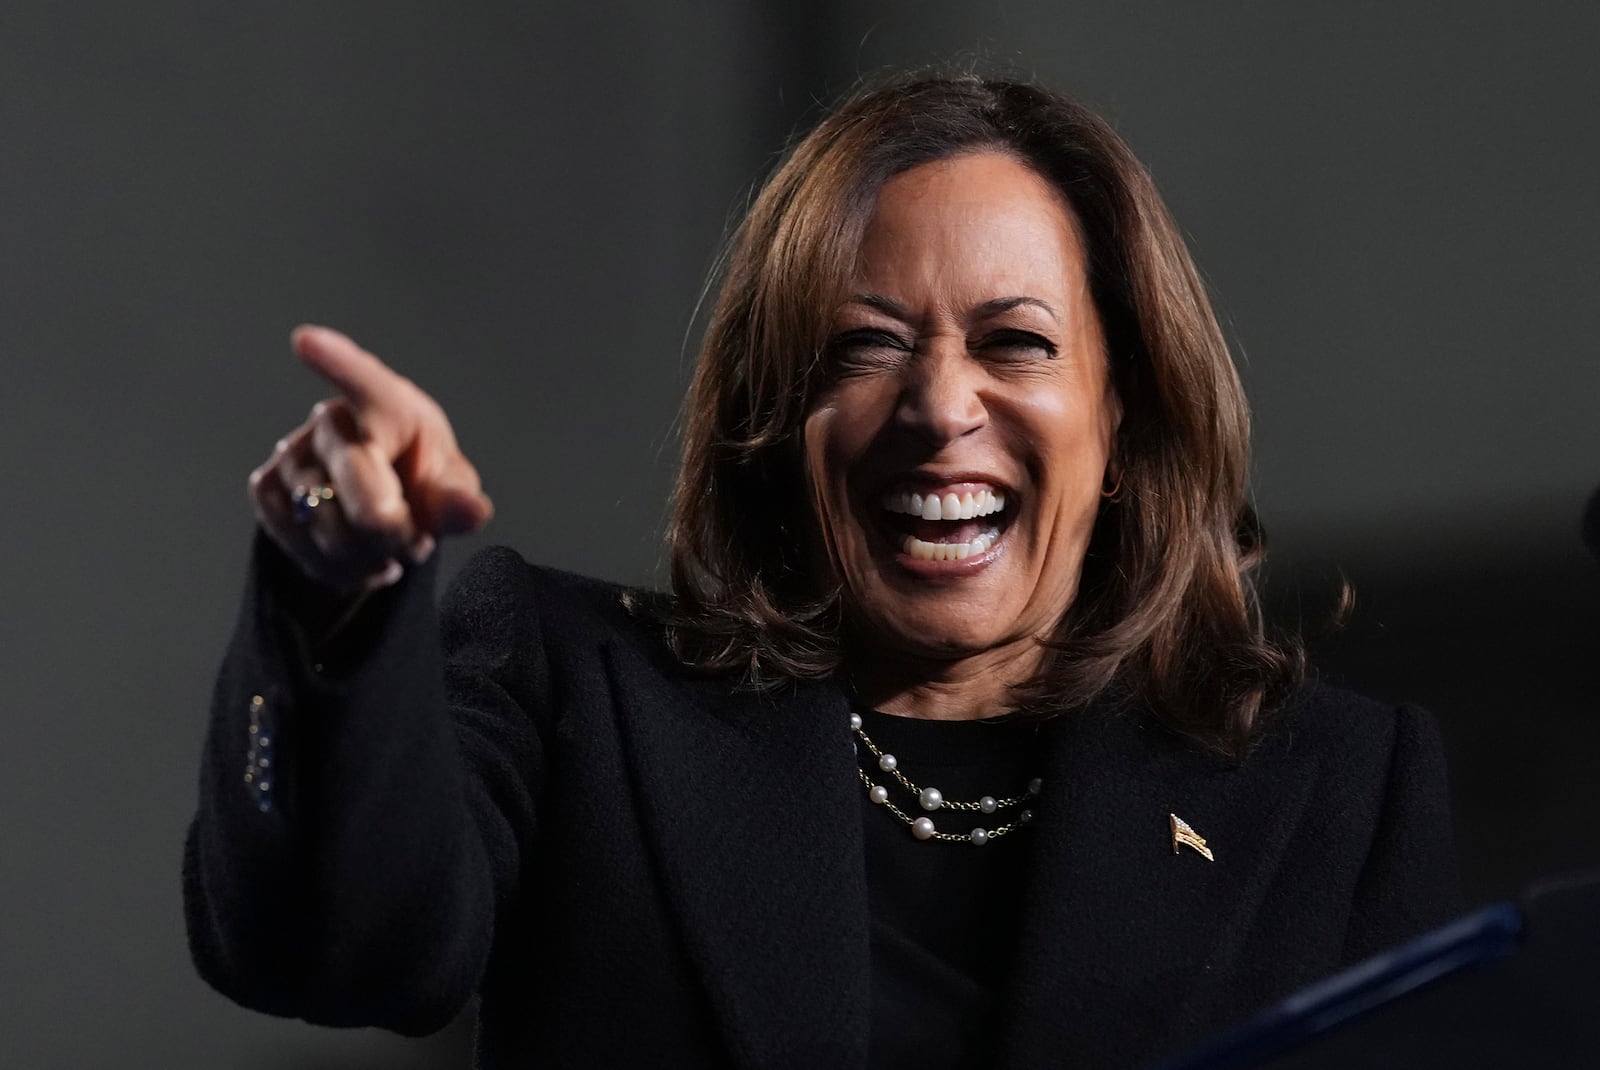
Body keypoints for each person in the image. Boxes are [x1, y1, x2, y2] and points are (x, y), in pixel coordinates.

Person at [183, 75, 1460, 1069]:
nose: (938, 405)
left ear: (1121, 412)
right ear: (774, 419)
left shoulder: (1337, 790)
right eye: (863, 348)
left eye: (1015, 342)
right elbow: (338, 954)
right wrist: (339, 602)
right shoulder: (573, 690)